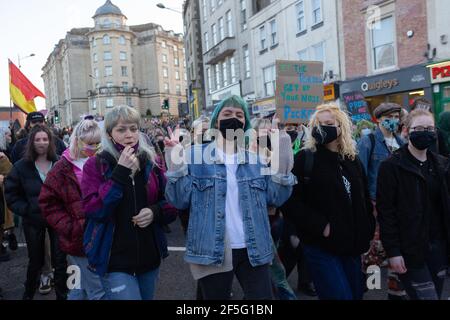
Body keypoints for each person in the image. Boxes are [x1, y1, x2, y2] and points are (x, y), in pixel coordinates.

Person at [165, 95, 296, 300]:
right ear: (217, 121)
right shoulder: (194, 156)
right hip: (213, 248)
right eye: (227, 113)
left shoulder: (256, 160)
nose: (233, 118)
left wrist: (283, 150)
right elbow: (179, 199)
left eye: (239, 115)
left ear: (245, 123)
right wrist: (174, 160)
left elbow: (276, 197)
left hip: (253, 247)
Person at [82, 105, 177, 300]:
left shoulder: (150, 161)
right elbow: (94, 209)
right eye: (121, 129)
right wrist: (120, 174)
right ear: (109, 134)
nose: (129, 135)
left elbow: (171, 203)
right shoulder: (96, 164)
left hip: (149, 256)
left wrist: (155, 212)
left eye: (133, 129)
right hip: (114, 259)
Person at [282, 104, 375, 300]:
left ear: (341, 127)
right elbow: (289, 201)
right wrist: (320, 225)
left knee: (355, 294)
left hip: (352, 246)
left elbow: (363, 199)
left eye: (328, 123)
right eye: (318, 124)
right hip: (321, 246)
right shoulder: (305, 158)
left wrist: (367, 232)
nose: (321, 127)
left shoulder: (352, 159)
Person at [377, 109, 450, 300]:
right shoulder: (391, 166)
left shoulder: (442, 165)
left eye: (429, 128)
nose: (425, 132)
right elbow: (386, 213)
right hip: (411, 250)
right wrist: (393, 251)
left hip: (439, 248)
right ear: (407, 130)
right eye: (419, 128)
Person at [39, 119, 105, 300]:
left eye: (98, 143)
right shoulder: (62, 168)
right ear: (78, 141)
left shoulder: (102, 161)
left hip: (101, 234)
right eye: (90, 143)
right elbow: (47, 203)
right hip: (78, 239)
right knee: (97, 290)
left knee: (79, 286)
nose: (95, 147)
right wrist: (70, 227)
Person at [5, 125, 68, 300]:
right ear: (31, 142)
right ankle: (28, 295)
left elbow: (70, 192)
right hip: (33, 221)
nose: (42, 143)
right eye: (38, 139)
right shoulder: (20, 167)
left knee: (60, 262)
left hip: (58, 220)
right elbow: (11, 194)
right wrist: (26, 210)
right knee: (35, 262)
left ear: (51, 141)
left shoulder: (60, 164)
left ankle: (62, 296)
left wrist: (65, 212)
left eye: (45, 139)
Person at [357, 102, 407, 299]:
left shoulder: (401, 143)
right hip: (376, 203)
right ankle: (369, 289)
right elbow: (359, 175)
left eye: (396, 116)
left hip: (398, 205)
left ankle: (396, 292)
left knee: (398, 248)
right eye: (389, 116)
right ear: (378, 119)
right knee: (374, 253)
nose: (393, 120)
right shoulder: (368, 142)